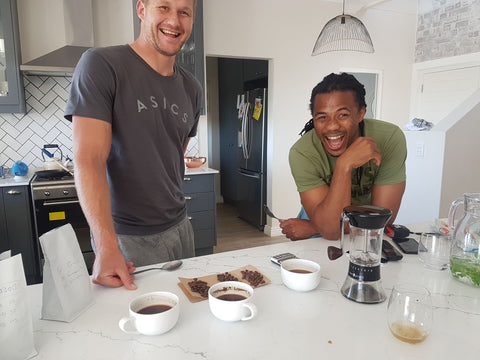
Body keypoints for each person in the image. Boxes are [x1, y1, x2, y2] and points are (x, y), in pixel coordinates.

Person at [64, 0, 202, 290]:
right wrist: (105, 245)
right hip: (126, 238)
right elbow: (88, 159)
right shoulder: (102, 65)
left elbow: (174, 153)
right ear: (141, 9)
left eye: (184, 12)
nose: (174, 21)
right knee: (137, 329)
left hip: (180, 228)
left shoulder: (192, 88)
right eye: (163, 7)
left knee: (187, 317)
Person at [280, 73, 406, 241]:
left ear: (361, 113)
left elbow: (382, 220)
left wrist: (313, 228)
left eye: (343, 115)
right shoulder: (302, 153)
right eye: (322, 117)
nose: (332, 126)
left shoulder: (389, 138)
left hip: (331, 227)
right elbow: (331, 231)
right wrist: (344, 165)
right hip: (321, 217)